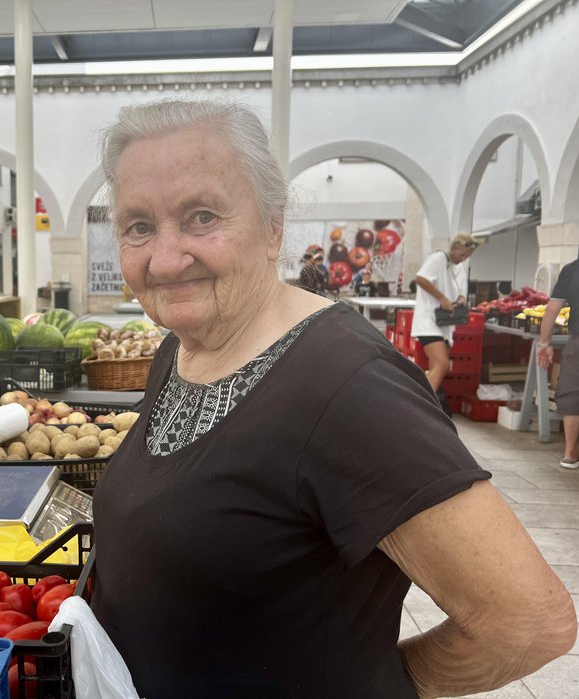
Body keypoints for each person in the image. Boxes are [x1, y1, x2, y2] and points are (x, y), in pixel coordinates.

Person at [90, 100, 575, 698]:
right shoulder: (181, 347)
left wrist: (375, 685)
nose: (164, 259)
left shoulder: (351, 386)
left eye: (201, 216)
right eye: (138, 226)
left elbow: (528, 625)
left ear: (272, 227)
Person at [411, 233, 480, 412]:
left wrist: (462, 299)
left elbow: (461, 290)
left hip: (444, 324)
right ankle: (420, 406)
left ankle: (421, 401)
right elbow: (420, 278)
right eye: (461, 254)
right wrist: (442, 298)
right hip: (428, 321)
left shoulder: (458, 267)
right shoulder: (438, 258)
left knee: (437, 367)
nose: (462, 259)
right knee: (442, 364)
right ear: (454, 248)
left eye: (467, 257)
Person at [537, 259, 579, 469]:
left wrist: (545, 343)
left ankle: (570, 454)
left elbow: (552, 309)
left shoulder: (572, 270)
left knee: (573, 393)